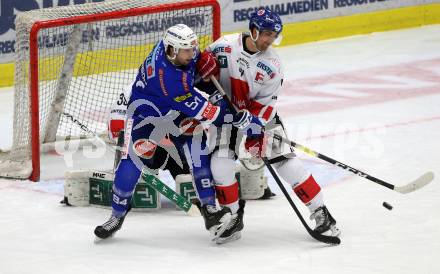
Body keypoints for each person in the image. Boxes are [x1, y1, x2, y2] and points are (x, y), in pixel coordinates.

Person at [198, 8, 341, 243]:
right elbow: (201, 74)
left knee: (286, 164)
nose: (269, 40)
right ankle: (232, 217)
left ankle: (321, 212)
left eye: (273, 35)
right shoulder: (223, 46)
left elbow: (267, 105)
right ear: (253, 30)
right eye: (265, 34)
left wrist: (255, 126)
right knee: (220, 166)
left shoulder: (273, 65)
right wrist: (203, 77)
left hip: (258, 118)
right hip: (225, 117)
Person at [94, 24, 238, 241]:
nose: (192, 53)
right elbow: (208, 112)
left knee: (198, 151)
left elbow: (194, 60)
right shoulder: (169, 80)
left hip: (175, 111)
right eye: (187, 51)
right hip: (145, 116)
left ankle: (209, 209)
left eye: (193, 49)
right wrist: (237, 118)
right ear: (172, 50)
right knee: (129, 166)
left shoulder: (173, 49)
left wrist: (202, 58)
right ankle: (117, 215)